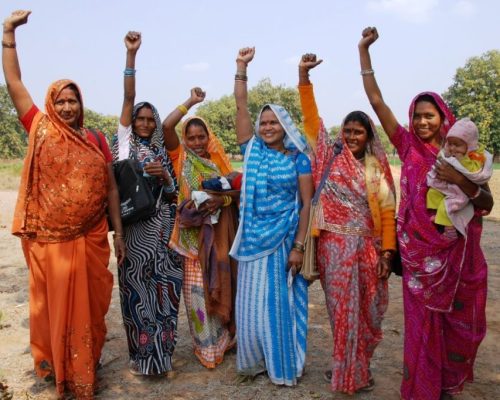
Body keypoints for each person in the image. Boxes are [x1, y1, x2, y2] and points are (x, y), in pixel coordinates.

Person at [358, 27, 493, 400]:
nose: (421, 122)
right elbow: (377, 102)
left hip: (458, 259)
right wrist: (364, 51)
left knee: (462, 328)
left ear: (443, 117)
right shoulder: (407, 147)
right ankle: (423, 388)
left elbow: (487, 205)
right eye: (417, 115)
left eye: (428, 115)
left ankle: (447, 382)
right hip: (419, 260)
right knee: (421, 325)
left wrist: (460, 181)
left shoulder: (464, 157)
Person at [2, 10, 125, 399]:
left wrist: (117, 233)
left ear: (81, 104)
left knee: (91, 307)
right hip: (52, 242)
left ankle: (86, 364)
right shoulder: (39, 127)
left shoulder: (94, 140)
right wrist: (8, 34)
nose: (68, 107)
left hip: (90, 239)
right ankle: (60, 368)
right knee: (54, 306)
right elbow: (15, 82)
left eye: (73, 101)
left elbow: (109, 190)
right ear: (51, 103)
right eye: (62, 100)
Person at [298, 53, 396, 394]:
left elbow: (386, 213)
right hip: (334, 249)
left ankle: (361, 368)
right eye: (348, 130)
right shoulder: (328, 156)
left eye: (359, 132)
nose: (352, 136)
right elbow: (312, 121)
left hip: (369, 251)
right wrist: (304, 78)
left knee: (370, 314)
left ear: (369, 136)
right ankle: (345, 372)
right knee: (342, 314)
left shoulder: (375, 168)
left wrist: (387, 253)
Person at [229, 47, 313, 386]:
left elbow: (306, 205)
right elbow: (239, 106)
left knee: (278, 302)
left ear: (284, 125)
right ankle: (253, 361)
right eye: (262, 123)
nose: (265, 127)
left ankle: (283, 365)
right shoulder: (252, 150)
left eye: (272, 122)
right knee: (249, 303)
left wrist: (299, 246)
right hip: (252, 238)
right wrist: (241, 68)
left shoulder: (298, 159)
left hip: (283, 239)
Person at [112, 31, 183, 377]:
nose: (142, 123)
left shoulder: (160, 152)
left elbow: (175, 196)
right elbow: (129, 99)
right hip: (136, 235)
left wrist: (166, 178)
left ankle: (163, 359)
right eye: (139, 119)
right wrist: (131, 57)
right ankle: (144, 360)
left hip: (164, 236)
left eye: (148, 119)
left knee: (166, 296)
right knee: (138, 295)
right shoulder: (123, 146)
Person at [162, 88, 238, 369]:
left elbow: (234, 196)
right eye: (191, 137)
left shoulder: (219, 162)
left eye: (200, 137)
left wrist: (222, 198)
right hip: (191, 241)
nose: (196, 142)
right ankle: (206, 348)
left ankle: (225, 341)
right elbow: (166, 126)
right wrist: (191, 102)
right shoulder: (180, 158)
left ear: (209, 138)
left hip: (217, 238)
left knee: (219, 285)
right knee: (196, 294)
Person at [427, 118, 493, 236]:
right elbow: (441, 156)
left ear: (470, 145)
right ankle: (435, 213)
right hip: (446, 188)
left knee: (448, 206)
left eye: (457, 145)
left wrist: (458, 175)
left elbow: (474, 172)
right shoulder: (448, 150)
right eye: (450, 144)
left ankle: (450, 228)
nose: (452, 148)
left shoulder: (475, 157)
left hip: (459, 193)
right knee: (432, 193)